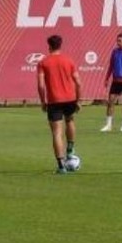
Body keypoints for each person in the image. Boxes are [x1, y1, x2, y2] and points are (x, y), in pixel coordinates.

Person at [37, 35, 82, 174]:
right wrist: (78, 100)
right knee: (70, 120)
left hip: (54, 100)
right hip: (70, 98)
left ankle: (61, 166)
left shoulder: (44, 62)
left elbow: (40, 85)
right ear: (60, 45)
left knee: (57, 132)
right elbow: (78, 82)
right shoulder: (68, 60)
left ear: (49, 46)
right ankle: (70, 149)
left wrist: (43, 101)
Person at [101, 33, 122, 132]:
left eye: (120, 40)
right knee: (110, 102)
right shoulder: (114, 51)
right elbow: (111, 66)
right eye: (117, 40)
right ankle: (108, 125)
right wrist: (107, 78)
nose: (118, 42)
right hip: (115, 81)